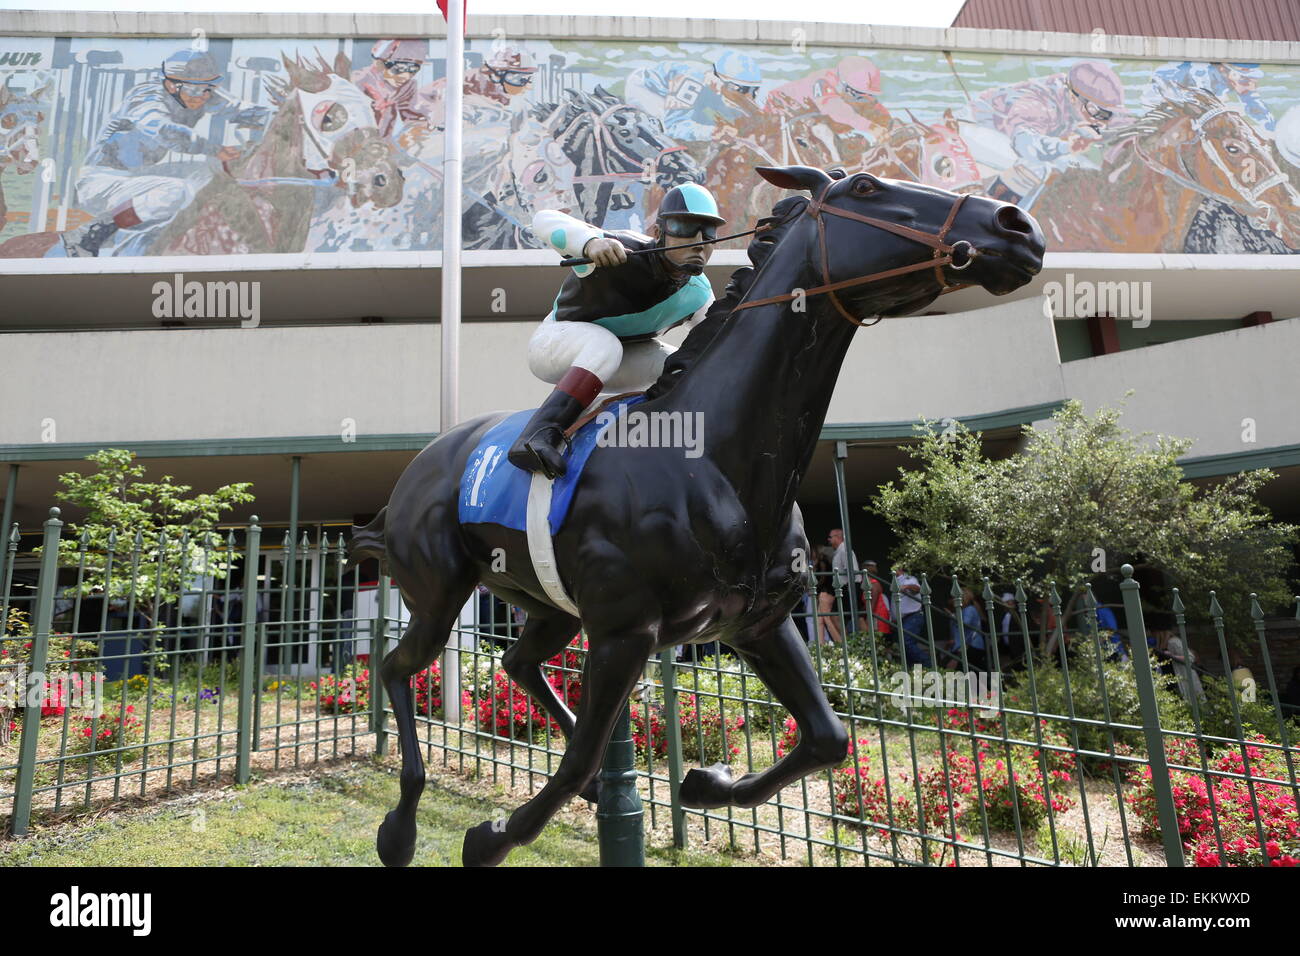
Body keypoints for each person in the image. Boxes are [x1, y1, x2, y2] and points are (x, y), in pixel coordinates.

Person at [511, 183, 724, 477]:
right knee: (604, 345)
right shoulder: (617, 250)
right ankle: (536, 437)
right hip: (555, 344)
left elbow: (719, 348)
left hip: (619, 357)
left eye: (709, 232)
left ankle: (660, 443)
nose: (700, 242)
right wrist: (589, 243)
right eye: (685, 227)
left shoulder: (700, 293)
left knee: (677, 368)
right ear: (658, 233)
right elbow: (543, 219)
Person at [59, 50, 270, 257]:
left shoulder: (197, 91)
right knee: (174, 191)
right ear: (170, 84)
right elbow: (166, 131)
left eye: (208, 89)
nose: (203, 97)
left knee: (213, 172)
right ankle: (88, 234)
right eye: (195, 90)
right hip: (102, 182)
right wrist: (216, 150)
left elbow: (246, 110)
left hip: (142, 177)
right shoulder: (145, 96)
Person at [894, 564, 928, 666]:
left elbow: (917, 588)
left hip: (913, 616)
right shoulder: (896, 580)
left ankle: (928, 664)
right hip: (903, 619)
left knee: (906, 642)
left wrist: (906, 586)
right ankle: (913, 669)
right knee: (905, 646)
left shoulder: (908, 578)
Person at [948, 587, 987, 671]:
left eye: (955, 597)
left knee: (959, 670)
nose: (953, 600)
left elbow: (965, 624)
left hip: (971, 646)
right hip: (967, 647)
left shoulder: (969, 609)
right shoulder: (961, 611)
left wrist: (952, 616)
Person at [812, 547, 842, 646]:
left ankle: (840, 643)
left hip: (825, 592)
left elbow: (822, 578)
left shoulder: (822, 563)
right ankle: (821, 645)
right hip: (827, 592)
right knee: (820, 620)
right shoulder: (827, 562)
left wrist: (816, 588)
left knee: (826, 619)